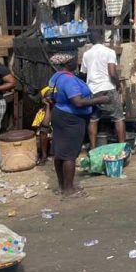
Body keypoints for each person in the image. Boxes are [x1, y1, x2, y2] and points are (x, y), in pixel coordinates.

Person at [47, 53, 110, 197]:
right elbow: (77, 102)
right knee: (69, 155)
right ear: (68, 63)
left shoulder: (55, 77)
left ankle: (63, 186)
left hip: (59, 114)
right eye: (75, 60)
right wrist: (101, 99)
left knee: (60, 153)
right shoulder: (69, 80)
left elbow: (53, 96)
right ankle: (69, 190)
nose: (78, 62)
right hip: (72, 119)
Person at [82, 30, 125, 150]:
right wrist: (118, 85)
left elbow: (84, 73)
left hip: (93, 91)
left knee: (93, 119)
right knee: (118, 118)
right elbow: (112, 72)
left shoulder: (86, 54)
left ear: (90, 41)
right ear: (101, 39)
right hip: (108, 89)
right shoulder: (109, 52)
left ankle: (93, 148)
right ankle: (122, 147)